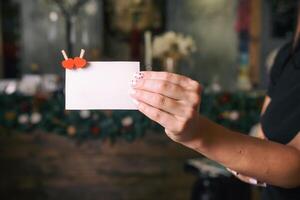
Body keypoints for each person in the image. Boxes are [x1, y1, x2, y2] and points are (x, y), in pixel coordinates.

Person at [130, 6, 300, 200]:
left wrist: (197, 133)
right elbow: (263, 138)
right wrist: (246, 162)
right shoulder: (288, 56)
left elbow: (296, 167)